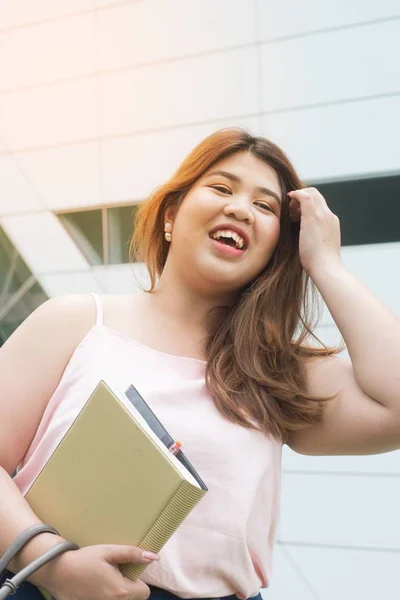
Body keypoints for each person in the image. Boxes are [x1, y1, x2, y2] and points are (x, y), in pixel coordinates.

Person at [1, 127, 400, 600]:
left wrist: (326, 264)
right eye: (222, 188)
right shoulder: (77, 321)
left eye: (265, 206)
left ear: (276, 248)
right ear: (171, 216)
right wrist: (53, 565)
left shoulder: (273, 371)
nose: (239, 209)